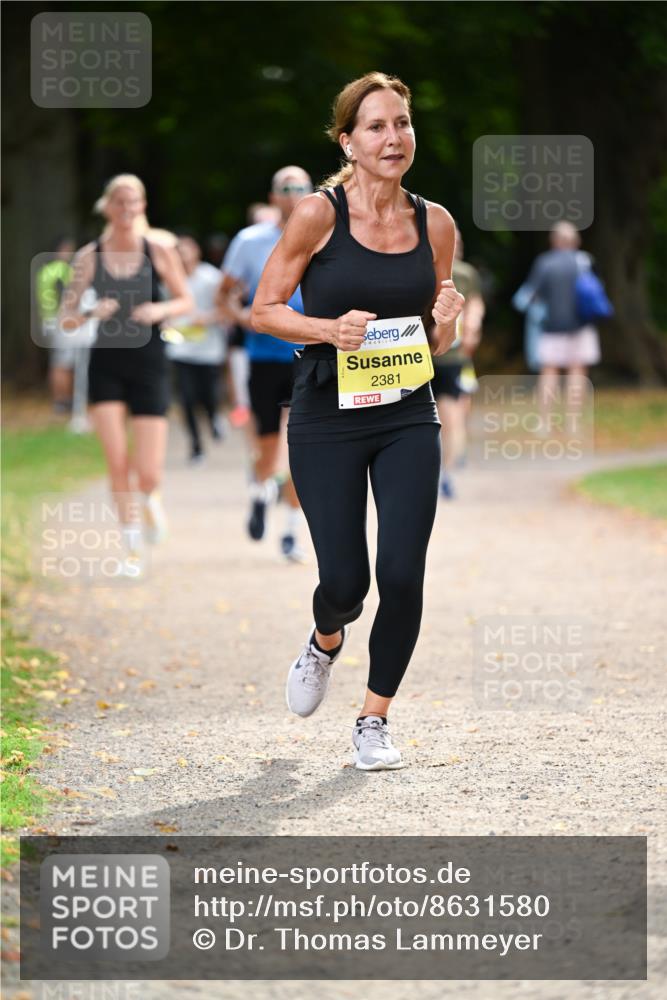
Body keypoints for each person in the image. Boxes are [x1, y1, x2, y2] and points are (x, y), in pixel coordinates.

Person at [251, 72, 464, 769]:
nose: (392, 137)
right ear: (347, 139)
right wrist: (324, 328)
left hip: (407, 414)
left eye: (401, 123)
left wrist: (446, 327)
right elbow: (264, 309)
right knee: (347, 582)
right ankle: (324, 639)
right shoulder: (318, 214)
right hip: (326, 414)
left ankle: (373, 721)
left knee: (402, 574)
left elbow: (435, 345)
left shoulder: (435, 224)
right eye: (375, 126)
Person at [59, 174, 193, 574]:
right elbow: (64, 318)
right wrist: (87, 313)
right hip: (107, 363)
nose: (126, 208)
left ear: (142, 206)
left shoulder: (159, 250)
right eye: (119, 201)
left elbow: (185, 300)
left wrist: (159, 310)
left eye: (133, 201)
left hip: (150, 361)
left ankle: (150, 501)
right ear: (107, 207)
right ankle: (131, 550)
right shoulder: (90, 255)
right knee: (117, 461)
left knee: (148, 471)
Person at [220, 168, 313, 563]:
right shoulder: (250, 241)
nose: (292, 195)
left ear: (311, 192)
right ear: (273, 197)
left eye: (299, 188)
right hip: (263, 356)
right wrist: (247, 318)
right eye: (285, 189)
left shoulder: (323, 234)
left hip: (309, 356)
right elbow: (224, 296)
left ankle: (291, 530)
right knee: (267, 444)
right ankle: (260, 492)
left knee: (301, 447)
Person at [522, 221, 601, 432]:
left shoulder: (544, 263)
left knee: (549, 374)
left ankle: (545, 423)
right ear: (576, 241)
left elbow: (529, 296)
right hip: (581, 327)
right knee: (577, 373)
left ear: (554, 240)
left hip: (551, 328)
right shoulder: (585, 261)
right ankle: (573, 423)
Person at [430, 225, 485, 498]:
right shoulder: (464, 273)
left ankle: (443, 469)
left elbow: (475, 307)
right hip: (446, 353)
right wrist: (473, 330)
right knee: (451, 411)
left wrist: (472, 329)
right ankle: (447, 471)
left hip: (433, 354)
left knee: (443, 413)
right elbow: (476, 307)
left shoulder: (430, 269)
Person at [166, 235, 227, 463]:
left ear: (196, 252)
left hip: (208, 350)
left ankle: (214, 418)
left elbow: (225, 310)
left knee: (208, 396)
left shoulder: (211, 277)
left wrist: (207, 318)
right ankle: (196, 446)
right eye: (178, 251)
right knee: (187, 399)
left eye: (186, 250)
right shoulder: (170, 279)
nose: (182, 255)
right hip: (180, 349)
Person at [36, 237, 77, 414]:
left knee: (57, 361)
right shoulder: (63, 271)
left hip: (48, 320)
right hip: (61, 321)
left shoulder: (44, 271)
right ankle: (64, 401)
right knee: (63, 363)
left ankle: (60, 399)